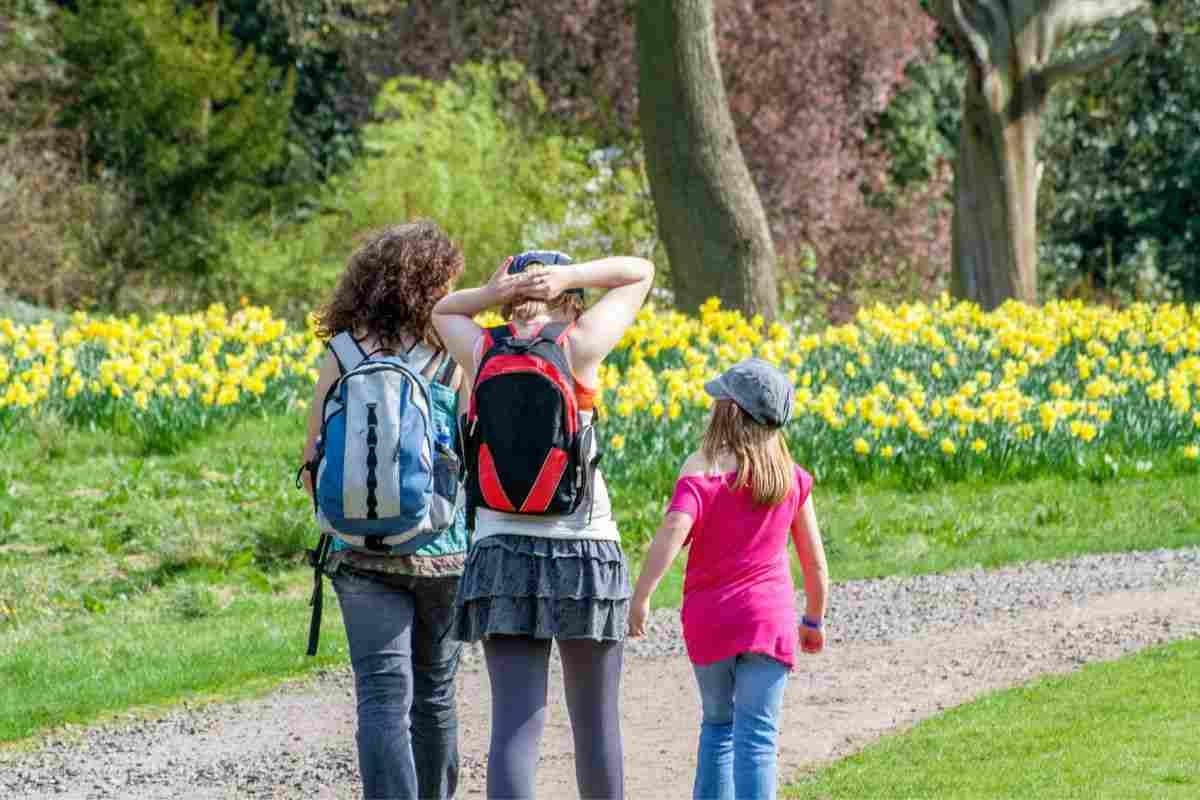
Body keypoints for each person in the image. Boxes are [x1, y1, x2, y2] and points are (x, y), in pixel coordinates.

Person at [432, 251, 654, 800]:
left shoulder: (481, 346)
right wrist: (574, 276)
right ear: (569, 300)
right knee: (595, 722)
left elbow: (441, 311)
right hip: (584, 547)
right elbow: (640, 271)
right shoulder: (577, 344)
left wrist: (492, 296)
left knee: (514, 723)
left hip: (501, 550)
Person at [300, 221, 469, 800]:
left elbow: (312, 461)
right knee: (436, 694)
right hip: (441, 553)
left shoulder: (342, 353)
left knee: (379, 696)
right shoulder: (452, 356)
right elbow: (465, 455)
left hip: (359, 551)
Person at [628, 358, 830, 800]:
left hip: (710, 621)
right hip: (768, 622)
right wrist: (813, 619)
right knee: (758, 738)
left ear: (730, 412)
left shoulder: (702, 470)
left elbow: (671, 532)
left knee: (718, 725)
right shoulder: (791, 480)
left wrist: (642, 595)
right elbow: (814, 564)